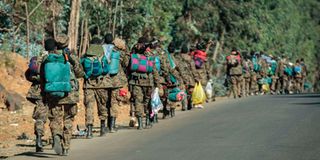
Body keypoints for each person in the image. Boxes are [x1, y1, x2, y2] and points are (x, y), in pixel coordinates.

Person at [41, 35, 84, 156]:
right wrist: (72, 60)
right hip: (70, 93)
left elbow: (42, 77)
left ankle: (56, 135)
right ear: (67, 44)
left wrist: (44, 94)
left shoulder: (47, 58)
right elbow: (80, 73)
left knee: (55, 118)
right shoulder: (71, 57)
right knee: (68, 119)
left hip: (53, 93)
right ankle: (66, 147)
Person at [128, 37, 160, 130]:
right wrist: (157, 84)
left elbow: (128, 67)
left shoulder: (133, 53)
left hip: (135, 81)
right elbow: (154, 70)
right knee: (147, 102)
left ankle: (140, 123)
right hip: (148, 83)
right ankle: (147, 121)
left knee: (138, 101)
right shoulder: (150, 55)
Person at [81, 37, 109, 138]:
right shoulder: (102, 55)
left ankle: (89, 131)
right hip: (101, 84)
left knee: (89, 107)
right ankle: (102, 128)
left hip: (88, 85)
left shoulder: (85, 56)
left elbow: (80, 68)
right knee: (102, 105)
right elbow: (106, 70)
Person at [25, 54, 48, 152]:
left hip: (37, 92)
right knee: (55, 116)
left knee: (40, 117)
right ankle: (57, 137)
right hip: (54, 91)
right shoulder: (53, 58)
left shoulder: (37, 59)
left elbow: (27, 76)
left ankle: (38, 138)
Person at [175, 43, 199, 110]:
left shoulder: (177, 57)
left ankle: (184, 106)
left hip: (181, 77)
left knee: (183, 91)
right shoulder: (189, 58)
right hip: (189, 77)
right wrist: (196, 78)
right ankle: (189, 102)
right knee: (190, 91)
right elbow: (193, 69)